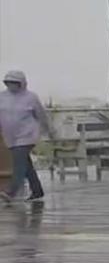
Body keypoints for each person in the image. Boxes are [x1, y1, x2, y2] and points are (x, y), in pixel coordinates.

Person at [0, 70, 53, 204]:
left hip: (27, 135)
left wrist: (49, 130)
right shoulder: (2, 97)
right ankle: (37, 190)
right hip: (10, 136)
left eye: (15, 83)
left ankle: (11, 192)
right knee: (25, 163)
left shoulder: (31, 97)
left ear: (21, 83)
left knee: (19, 163)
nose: (12, 86)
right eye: (9, 83)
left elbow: (41, 115)